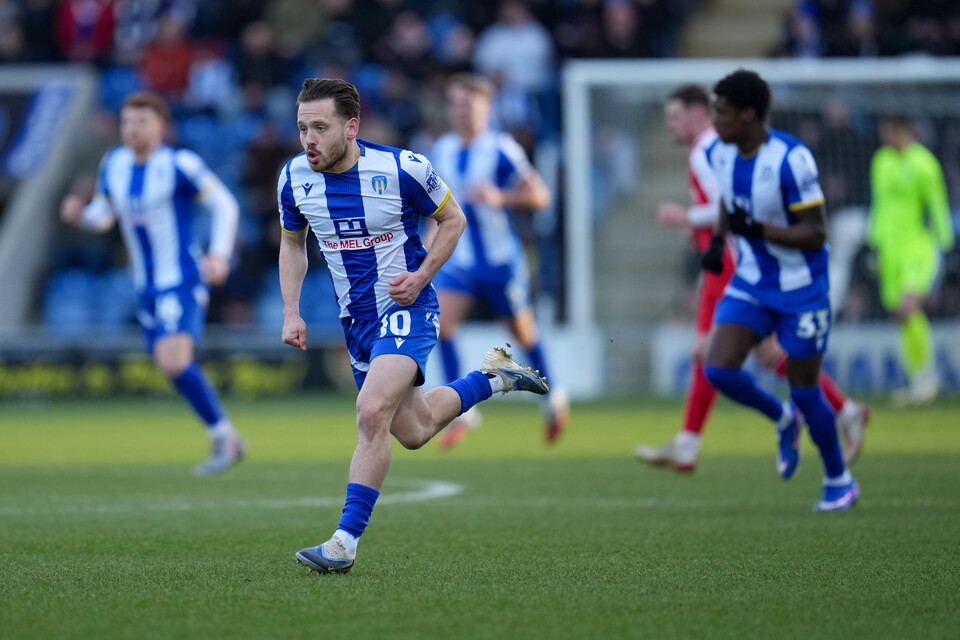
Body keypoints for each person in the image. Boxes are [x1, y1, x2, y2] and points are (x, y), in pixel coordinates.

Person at [280, 78, 549, 575]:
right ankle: (497, 378)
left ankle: (343, 543)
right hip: (356, 322)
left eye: (320, 127)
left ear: (351, 126)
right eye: (302, 128)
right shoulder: (294, 178)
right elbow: (293, 244)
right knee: (415, 429)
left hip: (409, 307)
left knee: (370, 411)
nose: (309, 139)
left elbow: (454, 219)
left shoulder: (403, 167)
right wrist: (291, 310)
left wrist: (423, 274)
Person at [635, 84, 869, 472]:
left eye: (675, 116)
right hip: (733, 262)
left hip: (736, 267)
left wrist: (686, 217)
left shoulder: (706, 151)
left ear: (698, 114)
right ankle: (841, 412)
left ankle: (818, 418)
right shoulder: (717, 148)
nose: (671, 125)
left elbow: (724, 208)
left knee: (720, 352)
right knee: (751, 354)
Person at [60, 91, 245, 476]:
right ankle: (225, 436)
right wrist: (80, 214)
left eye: (142, 122)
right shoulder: (114, 163)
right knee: (169, 364)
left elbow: (225, 204)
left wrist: (220, 255)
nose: (133, 130)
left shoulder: (180, 163)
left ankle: (225, 438)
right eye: (127, 122)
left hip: (180, 278)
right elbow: (105, 216)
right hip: (144, 286)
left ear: (162, 127)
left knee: (173, 360)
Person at [698, 69, 858, 511]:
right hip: (751, 281)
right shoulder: (722, 153)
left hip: (801, 289)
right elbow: (730, 204)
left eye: (723, 112)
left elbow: (815, 233)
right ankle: (783, 420)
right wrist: (716, 243)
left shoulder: (792, 159)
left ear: (749, 114)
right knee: (719, 369)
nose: (715, 121)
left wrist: (760, 230)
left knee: (805, 388)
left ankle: (839, 480)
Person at [426, 72, 569, 449]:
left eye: (468, 103)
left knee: (522, 334)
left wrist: (501, 198)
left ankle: (554, 398)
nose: (460, 110)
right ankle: (464, 410)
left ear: (485, 107)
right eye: (454, 103)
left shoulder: (501, 148)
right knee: (443, 325)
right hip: (460, 261)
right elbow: (434, 211)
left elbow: (540, 196)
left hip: (501, 260)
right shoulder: (441, 150)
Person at [869, 115, 954, 405]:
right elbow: (879, 205)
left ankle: (927, 377)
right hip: (889, 249)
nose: (886, 138)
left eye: (890, 131)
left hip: (918, 247)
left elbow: (937, 204)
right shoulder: (881, 161)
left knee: (908, 307)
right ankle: (918, 379)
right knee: (898, 314)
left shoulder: (924, 163)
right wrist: (874, 245)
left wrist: (945, 245)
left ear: (905, 131)